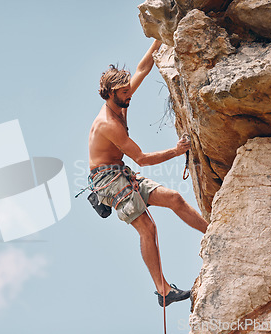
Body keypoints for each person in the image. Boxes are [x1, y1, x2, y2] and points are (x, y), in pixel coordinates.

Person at [88, 39, 208, 307]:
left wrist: (159, 37)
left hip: (120, 172)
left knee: (175, 198)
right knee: (148, 228)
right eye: (124, 92)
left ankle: (211, 233)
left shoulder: (121, 100)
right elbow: (141, 158)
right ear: (110, 93)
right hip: (107, 180)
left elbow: (143, 67)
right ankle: (163, 291)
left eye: (128, 90)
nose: (130, 95)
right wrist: (177, 151)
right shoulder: (108, 124)